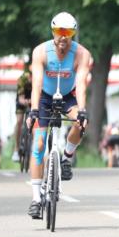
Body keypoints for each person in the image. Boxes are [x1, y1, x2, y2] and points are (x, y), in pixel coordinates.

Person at [25, 12, 92, 219]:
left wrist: (82, 111)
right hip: (44, 97)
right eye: (59, 32)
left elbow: (80, 84)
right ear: (53, 31)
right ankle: (36, 199)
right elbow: (36, 83)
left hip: (68, 96)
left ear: (73, 34)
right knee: (38, 145)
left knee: (81, 125)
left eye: (68, 33)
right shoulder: (40, 52)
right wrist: (34, 110)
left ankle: (66, 158)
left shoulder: (82, 54)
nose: (63, 37)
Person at [12, 59, 32, 163]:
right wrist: (26, 101)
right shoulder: (22, 79)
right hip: (22, 99)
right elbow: (21, 98)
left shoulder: (41, 77)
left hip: (34, 99)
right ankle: (16, 148)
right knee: (19, 121)